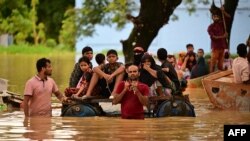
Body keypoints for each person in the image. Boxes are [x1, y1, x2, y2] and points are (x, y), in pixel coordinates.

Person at [208, 5, 231, 73]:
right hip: (215, 47)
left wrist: (223, 11)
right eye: (214, 17)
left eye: (217, 16)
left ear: (219, 17)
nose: (216, 18)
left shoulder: (222, 23)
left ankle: (220, 76)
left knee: (220, 64)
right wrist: (223, 36)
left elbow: (229, 17)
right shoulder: (210, 27)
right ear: (212, 18)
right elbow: (213, 37)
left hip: (222, 47)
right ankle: (210, 76)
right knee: (213, 63)